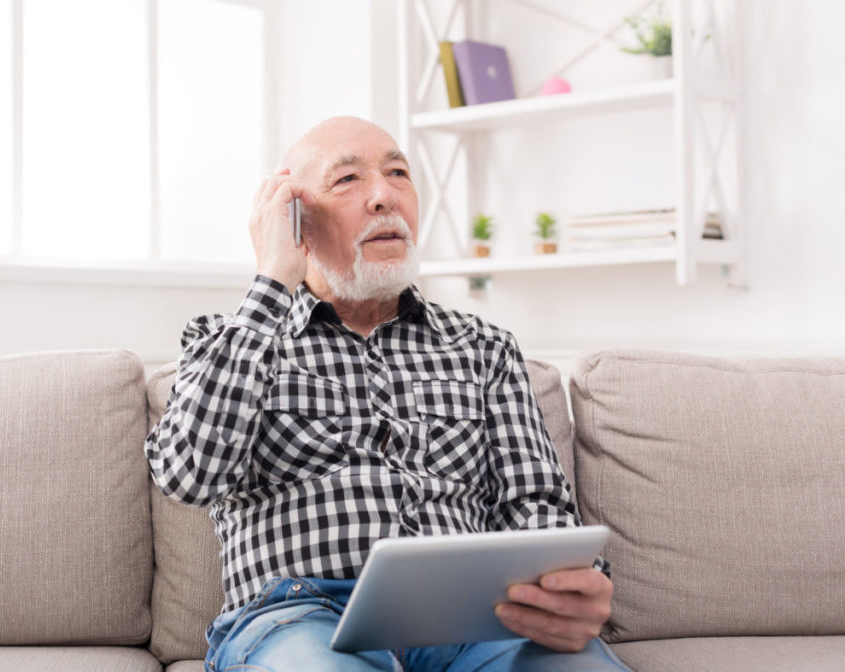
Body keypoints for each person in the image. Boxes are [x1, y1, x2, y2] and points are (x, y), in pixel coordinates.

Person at [145, 116, 629, 671]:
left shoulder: (484, 348)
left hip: (476, 621)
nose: (384, 197)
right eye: (347, 180)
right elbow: (190, 475)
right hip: (297, 621)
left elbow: (536, 507)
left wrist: (572, 586)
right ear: (294, 215)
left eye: (398, 173)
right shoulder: (229, 341)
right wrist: (273, 278)